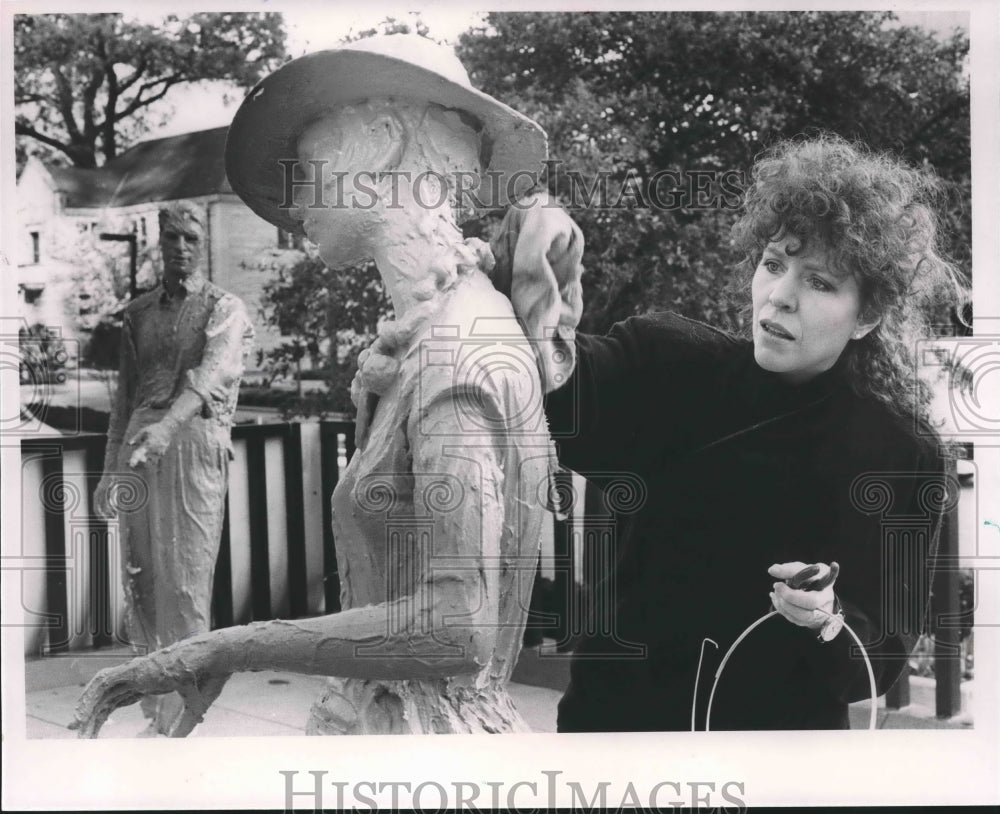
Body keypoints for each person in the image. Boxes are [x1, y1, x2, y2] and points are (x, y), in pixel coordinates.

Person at [73, 35, 558, 737]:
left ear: (384, 143)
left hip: (423, 751)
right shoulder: (428, 334)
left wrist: (229, 646)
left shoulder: (455, 352)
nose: (293, 201)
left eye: (304, 169)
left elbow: (459, 626)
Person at [493, 135, 966, 730]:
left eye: (820, 282)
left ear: (867, 315)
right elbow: (553, 384)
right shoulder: (668, 364)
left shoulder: (902, 452)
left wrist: (828, 617)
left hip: (776, 758)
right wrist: (538, 270)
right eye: (774, 264)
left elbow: (883, 654)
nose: (780, 297)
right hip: (616, 736)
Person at [92, 200, 254, 736]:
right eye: (171, 237)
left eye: (191, 237)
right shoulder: (138, 313)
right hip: (140, 447)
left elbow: (212, 375)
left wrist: (166, 429)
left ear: (202, 243)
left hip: (191, 445)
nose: (180, 247)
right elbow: (124, 398)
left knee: (186, 581)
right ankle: (155, 708)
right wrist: (110, 469)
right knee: (142, 581)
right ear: (159, 242)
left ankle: (188, 711)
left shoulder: (224, 307)